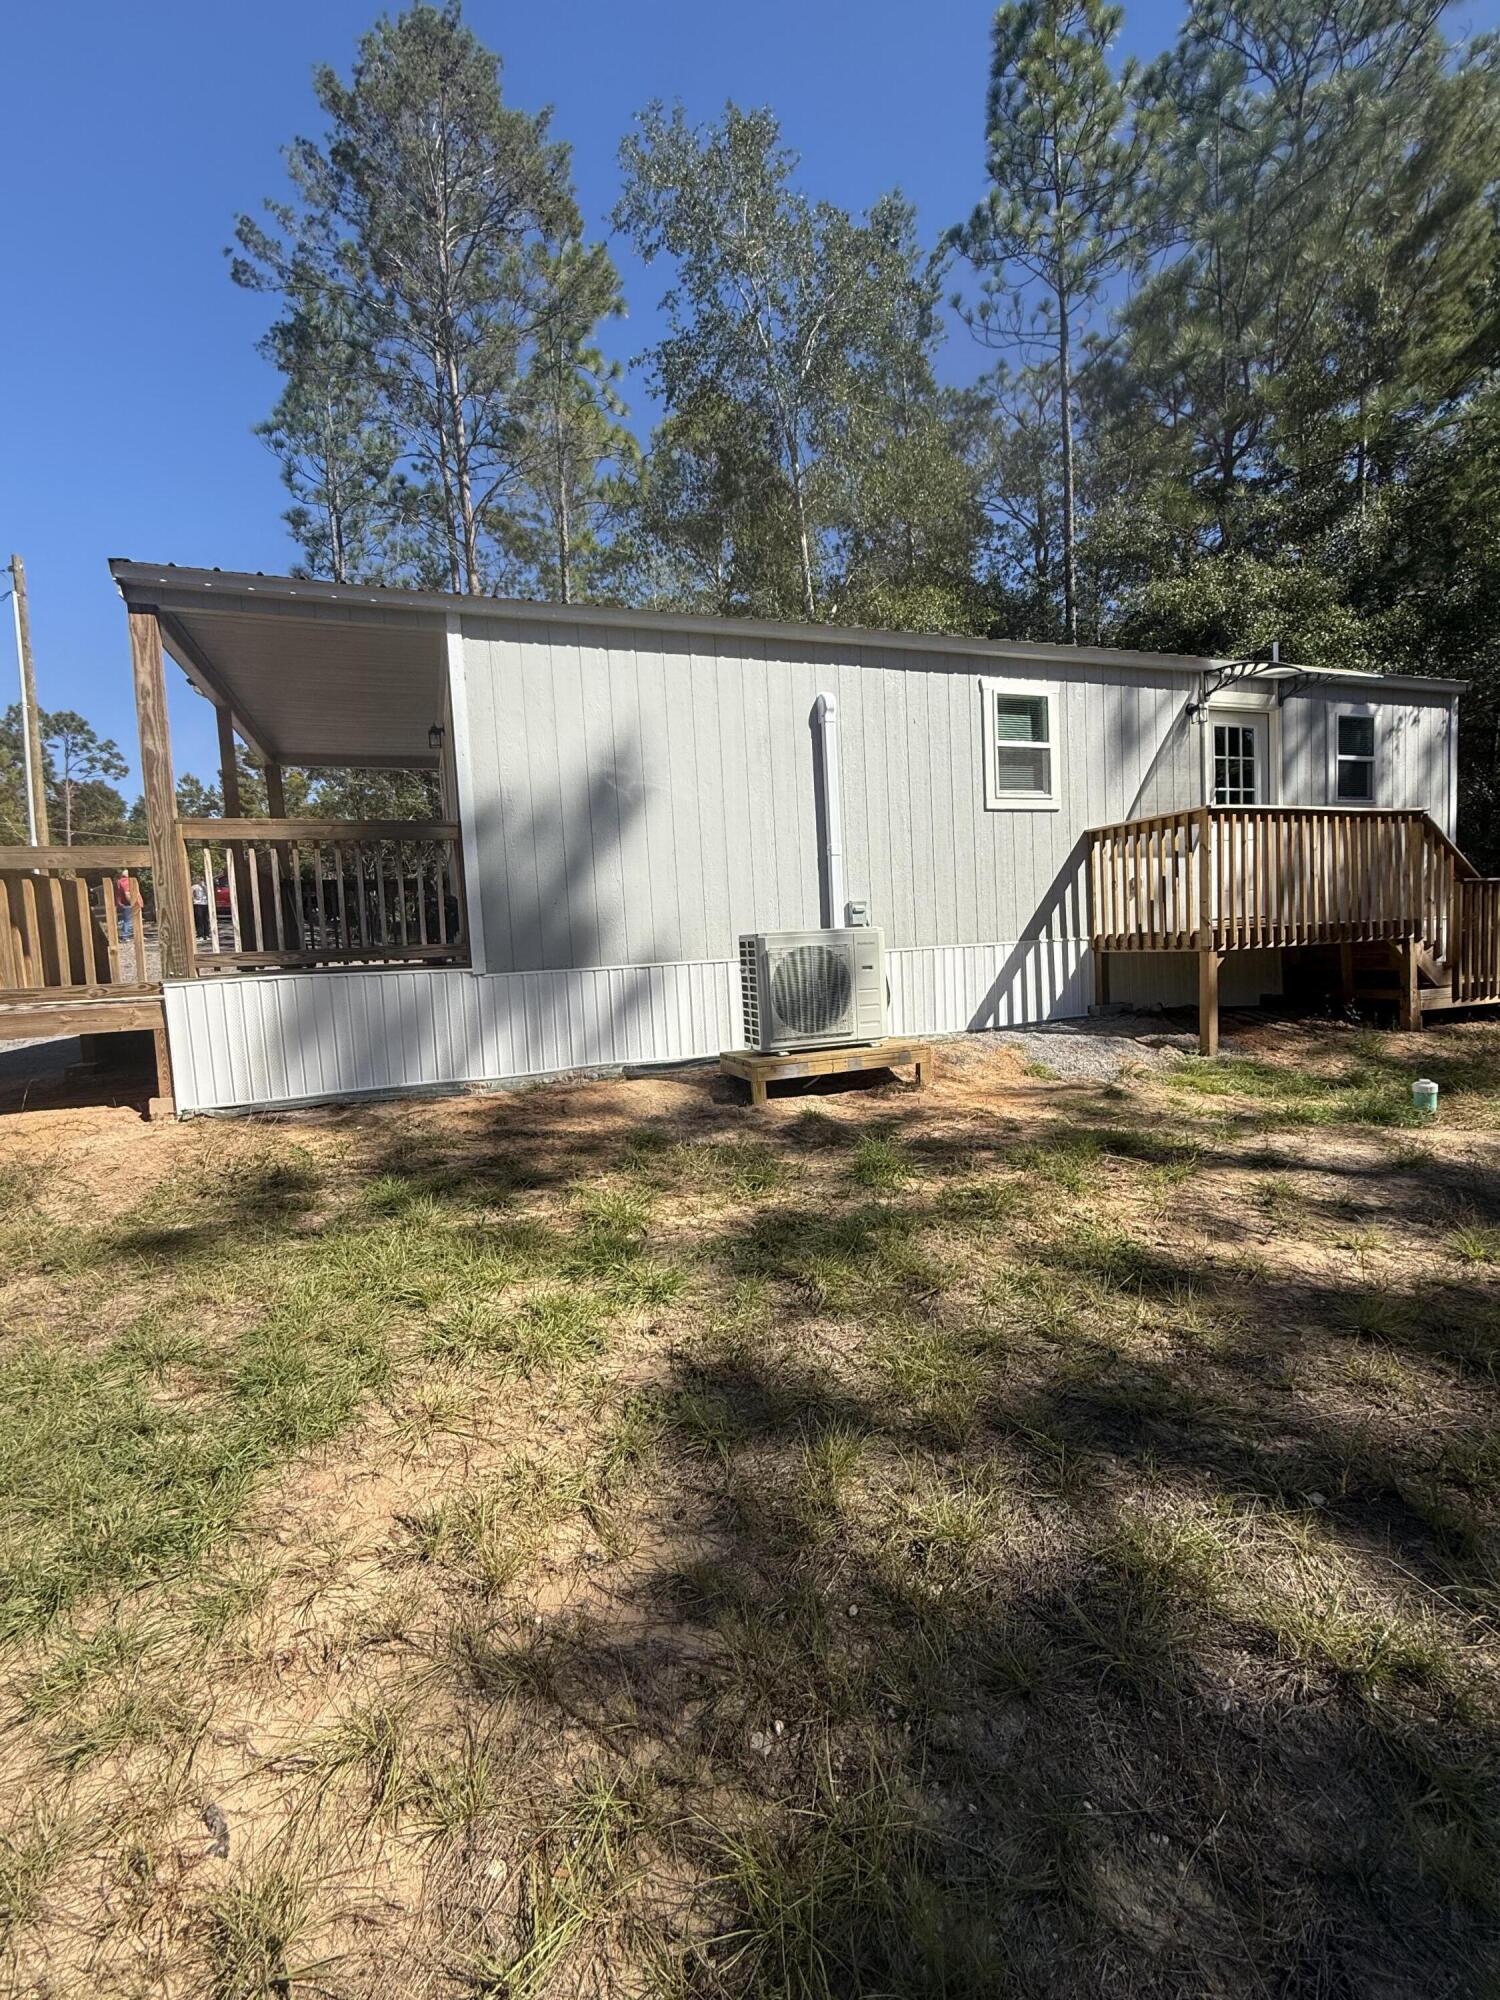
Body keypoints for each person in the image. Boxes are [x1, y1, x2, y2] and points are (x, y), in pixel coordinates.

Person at [114, 870, 134, 942]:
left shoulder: (118, 881)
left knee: (125, 919)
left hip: (120, 903)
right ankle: (125, 936)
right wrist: (132, 902)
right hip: (127, 903)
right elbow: (127, 893)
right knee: (128, 920)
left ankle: (124, 935)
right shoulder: (126, 881)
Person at [191, 875, 210, 943]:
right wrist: (193, 900)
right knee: (199, 920)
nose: (201, 881)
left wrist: (204, 886)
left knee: (206, 920)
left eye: (202, 880)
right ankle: (200, 935)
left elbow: (209, 894)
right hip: (198, 904)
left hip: (205, 903)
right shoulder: (194, 887)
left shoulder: (205, 887)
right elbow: (191, 894)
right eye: (200, 879)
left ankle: (206, 934)